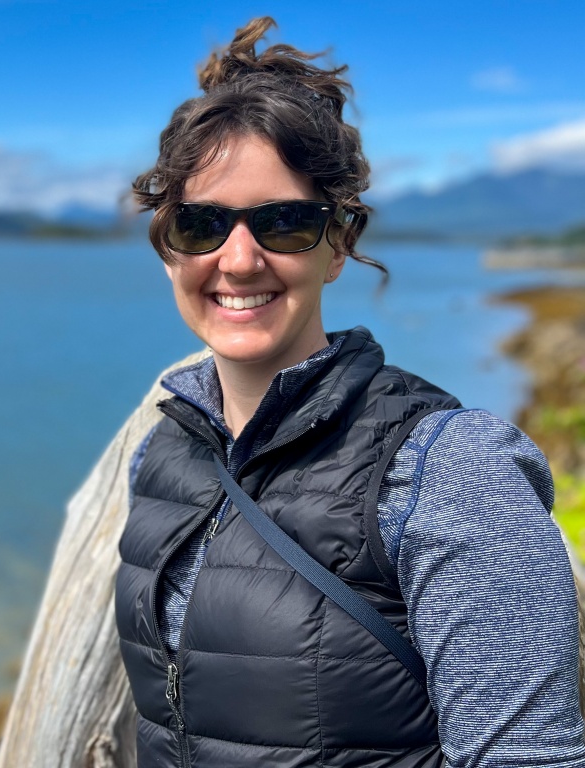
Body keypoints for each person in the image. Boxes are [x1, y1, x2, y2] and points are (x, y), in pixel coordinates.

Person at [113, 16, 585, 768]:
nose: (238, 260)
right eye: (201, 224)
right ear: (169, 250)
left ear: (338, 245)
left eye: (285, 224)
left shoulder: (452, 469)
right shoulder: (165, 453)